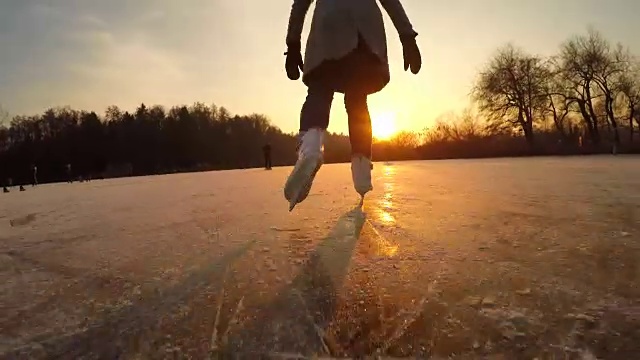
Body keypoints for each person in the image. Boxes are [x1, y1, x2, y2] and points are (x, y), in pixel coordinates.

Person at [283, 0, 421, 211]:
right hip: (364, 29)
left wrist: (293, 43)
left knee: (320, 90)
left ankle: (310, 147)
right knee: (357, 99)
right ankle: (361, 168)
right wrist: (407, 36)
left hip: (328, 24)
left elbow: (300, 3)